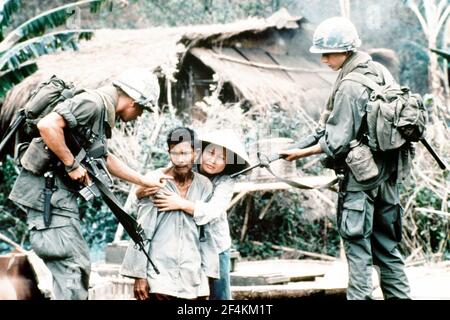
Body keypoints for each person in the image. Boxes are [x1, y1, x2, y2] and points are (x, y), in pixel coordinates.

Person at [8, 69, 171, 300]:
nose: (140, 116)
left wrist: (143, 180)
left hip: (56, 201)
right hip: (50, 201)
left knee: (76, 269)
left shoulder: (100, 111)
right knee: (73, 268)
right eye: (143, 110)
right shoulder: (93, 103)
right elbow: (48, 125)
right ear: (133, 102)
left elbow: (103, 157)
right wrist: (72, 165)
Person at [280, 17, 411, 300]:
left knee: (358, 251)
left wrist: (300, 153)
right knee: (388, 250)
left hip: (361, 182)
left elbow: (336, 143)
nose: (324, 60)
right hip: (388, 176)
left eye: (328, 53)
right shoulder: (379, 70)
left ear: (347, 50)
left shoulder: (350, 84)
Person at [135, 129, 251, 300]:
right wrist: (141, 190)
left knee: (219, 295)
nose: (213, 160)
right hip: (187, 246)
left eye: (222, 158)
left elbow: (212, 210)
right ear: (199, 152)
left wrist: (180, 203)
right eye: (211, 153)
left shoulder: (226, 180)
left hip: (215, 243)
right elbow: (151, 183)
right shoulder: (186, 167)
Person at [120, 127, 215, 300]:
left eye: (185, 153)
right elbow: (142, 230)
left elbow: (206, 234)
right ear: (168, 152)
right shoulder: (155, 180)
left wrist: (206, 276)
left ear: (196, 153)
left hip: (192, 277)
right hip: (159, 276)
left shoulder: (204, 185)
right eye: (175, 153)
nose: (180, 160)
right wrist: (139, 275)